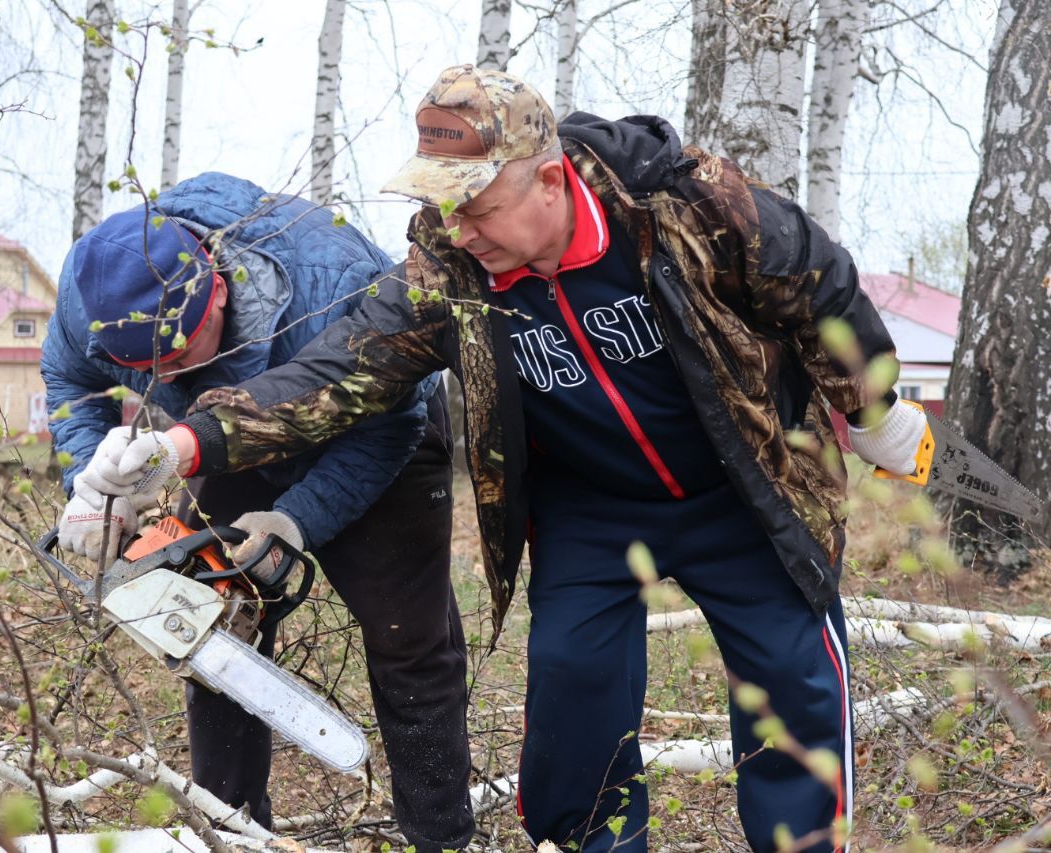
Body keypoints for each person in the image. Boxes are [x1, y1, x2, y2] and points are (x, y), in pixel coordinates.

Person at [93, 68, 926, 851]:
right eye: (442, 206)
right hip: (591, 506)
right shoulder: (450, 263)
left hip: (740, 488)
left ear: (551, 180)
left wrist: (875, 408)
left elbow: (816, 285)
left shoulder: (686, 206)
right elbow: (344, 369)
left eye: (475, 204)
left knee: (792, 687)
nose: (458, 228)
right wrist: (181, 440)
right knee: (572, 692)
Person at [41, 171, 474, 853]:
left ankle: (440, 834)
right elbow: (67, 382)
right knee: (214, 620)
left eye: (185, 354)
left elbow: (391, 423)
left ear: (216, 286)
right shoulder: (91, 296)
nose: (174, 379)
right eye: (157, 369)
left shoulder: (329, 281)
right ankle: (235, 831)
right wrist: (90, 485)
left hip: (379, 428)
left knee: (409, 639)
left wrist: (297, 519)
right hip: (218, 438)